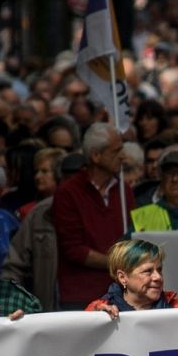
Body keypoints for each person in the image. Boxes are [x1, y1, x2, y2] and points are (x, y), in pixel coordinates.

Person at [53, 122, 136, 310]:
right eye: (116, 151)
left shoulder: (124, 191)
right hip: (81, 295)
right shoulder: (68, 193)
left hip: (123, 292)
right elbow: (74, 250)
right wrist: (117, 264)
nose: (123, 156)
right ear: (96, 156)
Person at [1, 153, 84, 312]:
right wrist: (13, 302)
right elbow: (14, 265)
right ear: (61, 180)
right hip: (50, 312)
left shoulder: (102, 212)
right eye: (69, 180)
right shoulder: (40, 213)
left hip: (95, 309)